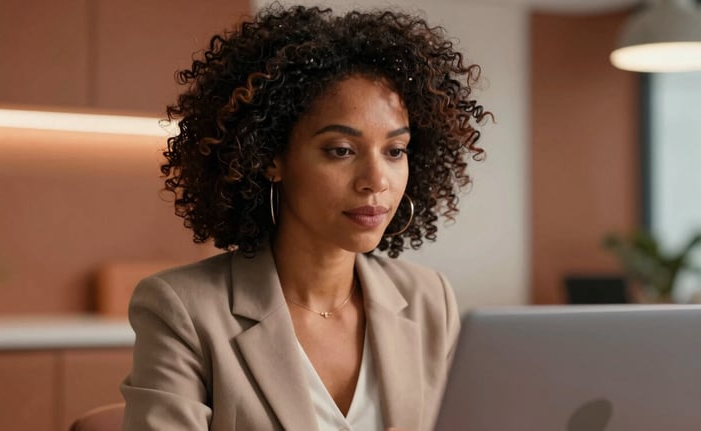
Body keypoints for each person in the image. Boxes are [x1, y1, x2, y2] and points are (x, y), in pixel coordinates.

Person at [121, 4, 490, 431]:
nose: (376, 180)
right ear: (271, 158)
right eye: (341, 151)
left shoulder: (430, 299)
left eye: (395, 151)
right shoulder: (183, 309)